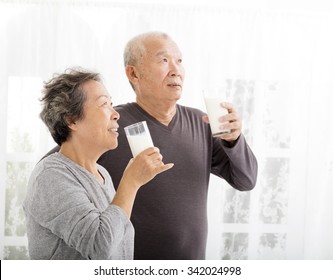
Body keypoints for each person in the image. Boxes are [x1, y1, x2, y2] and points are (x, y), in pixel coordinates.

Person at [97, 31, 258, 259]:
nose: (176, 70)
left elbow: (246, 180)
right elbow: (62, 165)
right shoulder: (111, 123)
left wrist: (234, 141)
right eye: (164, 60)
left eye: (179, 61)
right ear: (133, 73)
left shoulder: (202, 123)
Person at [23, 68, 173, 260]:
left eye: (112, 104)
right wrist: (132, 182)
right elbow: (99, 247)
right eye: (104, 104)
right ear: (71, 119)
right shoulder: (50, 176)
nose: (116, 114)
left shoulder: (102, 174)